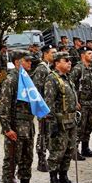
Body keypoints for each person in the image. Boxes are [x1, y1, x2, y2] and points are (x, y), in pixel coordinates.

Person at [0, 50, 42, 183]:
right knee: (11, 160)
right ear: (17, 62)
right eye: (27, 61)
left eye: (31, 61)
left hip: (28, 126)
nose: (30, 63)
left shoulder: (26, 79)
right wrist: (7, 128)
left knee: (26, 159)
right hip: (15, 127)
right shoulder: (11, 80)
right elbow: (3, 107)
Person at [44, 52, 80, 183]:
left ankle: (63, 177)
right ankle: (53, 180)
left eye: (70, 61)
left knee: (69, 150)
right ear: (57, 63)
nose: (69, 63)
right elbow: (49, 103)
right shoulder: (52, 79)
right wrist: (52, 123)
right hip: (59, 123)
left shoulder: (67, 78)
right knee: (57, 152)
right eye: (66, 60)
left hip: (71, 121)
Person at [32, 44, 57, 172]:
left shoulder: (48, 68)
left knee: (47, 134)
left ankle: (45, 158)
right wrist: (41, 109)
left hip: (48, 108)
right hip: (43, 109)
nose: (55, 55)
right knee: (42, 134)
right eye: (53, 53)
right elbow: (37, 90)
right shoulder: (41, 69)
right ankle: (41, 160)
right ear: (45, 54)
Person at [70, 46, 92, 159]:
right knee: (79, 128)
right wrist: (75, 101)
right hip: (81, 103)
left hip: (89, 102)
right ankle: (74, 150)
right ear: (83, 55)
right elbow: (71, 85)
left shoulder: (90, 69)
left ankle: (85, 148)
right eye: (89, 53)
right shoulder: (78, 69)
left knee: (88, 127)